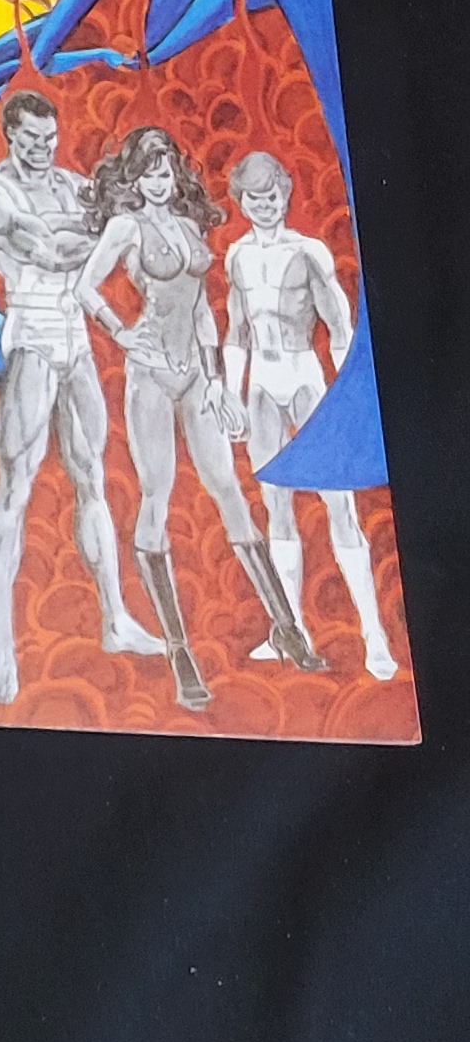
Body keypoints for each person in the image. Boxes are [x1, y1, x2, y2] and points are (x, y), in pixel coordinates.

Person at [83, 122, 318, 706]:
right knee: (156, 495)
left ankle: (286, 627)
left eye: (165, 171)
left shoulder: (188, 227)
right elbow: (86, 288)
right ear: (133, 180)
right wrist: (120, 333)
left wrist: (216, 381)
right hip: (150, 375)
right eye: (148, 174)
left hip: (195, 372)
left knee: (229, 490)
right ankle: (179, 651)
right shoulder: (125, 227)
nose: (159, 182)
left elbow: (203, 312)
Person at [0, 91, 158, 701]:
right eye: (30, 139)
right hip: (31, 332)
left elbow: (117, 240)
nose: (41, 149)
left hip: (75, 335)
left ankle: (115, 618)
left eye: (49, 139)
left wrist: (93, 235)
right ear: (9, 135)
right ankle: (1, 646)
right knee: (15, 485)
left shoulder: (75, 186)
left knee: (92, 474)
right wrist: (95, 237)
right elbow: (48, 252)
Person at [220, 149, 399, 678]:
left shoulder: (309, 252)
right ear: (242, 201)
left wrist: (352, 402)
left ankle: (375, 637)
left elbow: (340, 329)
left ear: (286, 192)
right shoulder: (237, 257)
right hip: (261, 387)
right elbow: (236, 332)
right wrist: (231, 392)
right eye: (256, 198)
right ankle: (291, 630)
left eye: (273, 195)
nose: (266, 205)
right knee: (276, 509)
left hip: (305, 380)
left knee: (340, 507)